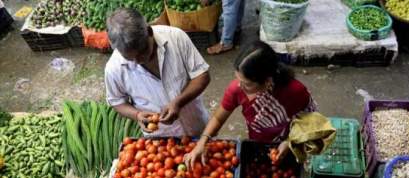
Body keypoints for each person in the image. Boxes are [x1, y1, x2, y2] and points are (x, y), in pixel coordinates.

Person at [184, 41, 317, 168]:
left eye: (247, 83)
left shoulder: (295, 91)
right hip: (258, 141)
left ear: (267, 81)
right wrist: (202, 142)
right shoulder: (236, 89)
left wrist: (290, 142)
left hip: (292, 141)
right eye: (238, 79)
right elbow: (218, 118)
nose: (240, 86)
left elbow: (312, 122)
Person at [104, 8, 211, 137]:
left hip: (196, 123)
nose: (138, 61)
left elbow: (202, 75)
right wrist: (137, 115)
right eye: (130, 58)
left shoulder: (176, 38)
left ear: (149, 31)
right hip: (160, 138)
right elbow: (117, 102)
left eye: (143, 52)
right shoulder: (114, 69)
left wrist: (178, 102)